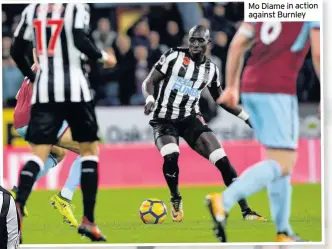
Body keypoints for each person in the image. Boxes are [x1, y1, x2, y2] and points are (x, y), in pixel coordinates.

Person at [205, 21, 320, 242]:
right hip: (278, 89)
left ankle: (283, 231)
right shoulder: (311, 8)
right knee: (284, 162)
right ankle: (224, 201)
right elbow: (319, 53)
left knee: (277, 162)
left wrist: (231, 87)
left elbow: (238, 44)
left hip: (251, 85)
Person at [10, 3, 116, 242]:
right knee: (88, 150)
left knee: (52, 155)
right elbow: (80, 39)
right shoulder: (75, 10)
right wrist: (104, 58)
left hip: (23, 118)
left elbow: (17, 51)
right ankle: (72, 204)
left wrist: (32, 74)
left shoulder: (33, 11)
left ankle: (18, 199)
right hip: (59, 99)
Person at [142, 25, 265, 222]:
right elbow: (148, 81)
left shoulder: (211, 70)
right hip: (163, 118)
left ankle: (246, 211)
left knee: (222, 159)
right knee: (171, 155)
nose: (195, 44)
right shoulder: (173, 56)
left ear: (208, 43)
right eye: (192, 40)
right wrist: (149, 99)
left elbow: (222, 100)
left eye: (200, 40)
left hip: (190, 118)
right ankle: (176, 197)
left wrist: (248, 118)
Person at [11, 49, 81, 228]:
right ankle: (64, 197)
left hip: (20, 122)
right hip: (37, 118)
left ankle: (17, 194)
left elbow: (19, 96)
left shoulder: (32, 69)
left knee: (58, 153)